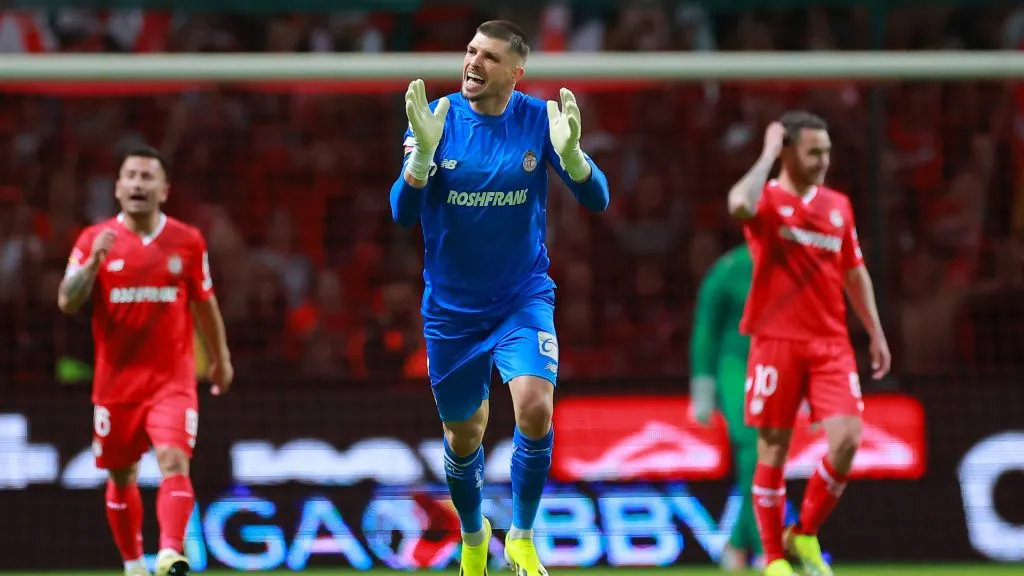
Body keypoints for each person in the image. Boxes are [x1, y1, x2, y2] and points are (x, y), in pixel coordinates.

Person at [389, 19, 610, 576]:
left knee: (535, 407)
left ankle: (523, 535)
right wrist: (419, 163)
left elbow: (597, 200)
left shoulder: (538, 119)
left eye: (488, 57)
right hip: (452, 312)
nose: (473, 63)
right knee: (465, 437)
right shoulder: (435, 117)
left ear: (516, 73)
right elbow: (401, 212)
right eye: (469, 51)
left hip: (522, 297)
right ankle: (471, 533)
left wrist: (576, 159)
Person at [726, 112, 892, 576]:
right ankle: (774, 559)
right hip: (776, 341)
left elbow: (854, 271)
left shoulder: (838, 205)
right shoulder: (768, 201)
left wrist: (875, 330)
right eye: (814, 151)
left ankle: (803, 533)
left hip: (831, 343)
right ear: (789, 153)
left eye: (827, 151)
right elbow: (737, 202)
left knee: (847, 441)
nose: (824, 161)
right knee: (772, 451)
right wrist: (766, 154)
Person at [57, 145, 233, 576]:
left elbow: (205, 305)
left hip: (171, 382)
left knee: (174, 460)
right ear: (117, 188)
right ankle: (134, 563)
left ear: (164, 189)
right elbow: (66, 300)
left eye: (147, 176)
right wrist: (93, 263)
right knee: (121, 476)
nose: (138, 183)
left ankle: (171, 552)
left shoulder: (188, 241)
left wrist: (220, 360)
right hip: (116, 386)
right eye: (130, 176)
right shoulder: (92, 240)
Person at [689, 242, 763, 571]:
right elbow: (705, 329)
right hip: (736, 365)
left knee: (768, 455)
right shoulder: (730, 268)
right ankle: (765, 549)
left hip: (778, 365)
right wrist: (703, 387)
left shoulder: (794, 266)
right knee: (753, 448)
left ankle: (736, 544)